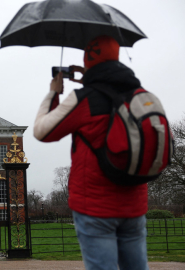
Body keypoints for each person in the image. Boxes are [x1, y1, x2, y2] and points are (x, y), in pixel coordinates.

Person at [33, 36, 149, 270]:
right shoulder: (140, 95)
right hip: (134, 203)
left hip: (95, 206)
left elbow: (42, 131)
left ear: (87, 60)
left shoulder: (84, 99)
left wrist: (53, 93)